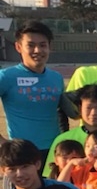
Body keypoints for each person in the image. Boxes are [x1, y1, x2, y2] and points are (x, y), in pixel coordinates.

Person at [1, 21, 65, 153]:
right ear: (18, 47)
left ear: (49, 47)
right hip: (22, 153)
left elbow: (64, 113)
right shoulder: (6, 77)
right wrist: (2, 143)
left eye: (43, 45)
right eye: (31, 45)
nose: (38, 50)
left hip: (54, 151)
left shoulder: (56, 78)